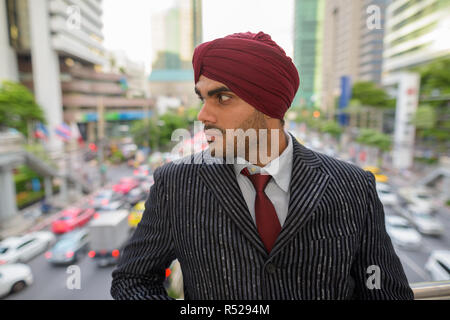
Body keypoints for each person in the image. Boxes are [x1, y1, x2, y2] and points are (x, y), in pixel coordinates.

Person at [111, 32, 413, 300]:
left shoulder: (352, 186)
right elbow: (133, 280)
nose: (203, 114)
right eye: (203, 98)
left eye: (223, 97)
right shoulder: (176, 185)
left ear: (268, 105)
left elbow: (383, 290)